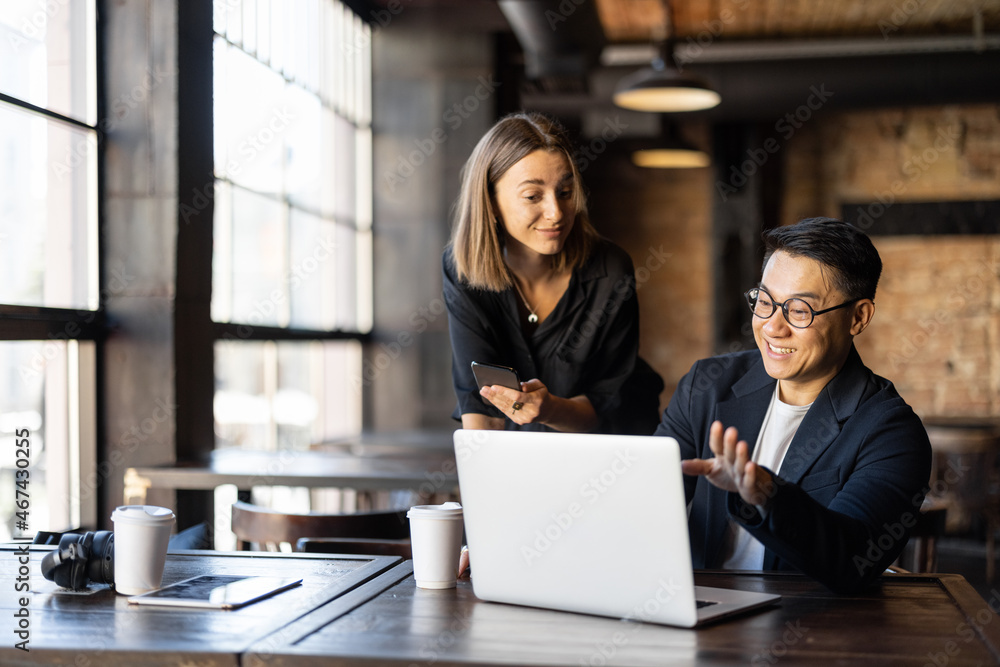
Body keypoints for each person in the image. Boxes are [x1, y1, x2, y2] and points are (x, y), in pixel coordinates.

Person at [656, 217, 932, 594]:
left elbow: (854, 557)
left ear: (858, 317)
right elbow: (648, 501)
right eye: (765, 302)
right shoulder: (706, 387)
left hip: (807, 631)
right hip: (699, 612)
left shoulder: (891, 432)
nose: (772, 326)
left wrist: (769, 493)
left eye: (799, 310)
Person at [443, 111, 663, 434]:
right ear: (489, 202)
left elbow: (607, 407)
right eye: (533, 196)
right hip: (524, 457)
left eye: (565, 191)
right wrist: (483, 479)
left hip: (611, 447)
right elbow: (480, 403)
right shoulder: (462, 269)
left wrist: (548, 409)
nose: (556, 213)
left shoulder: (610, 271)